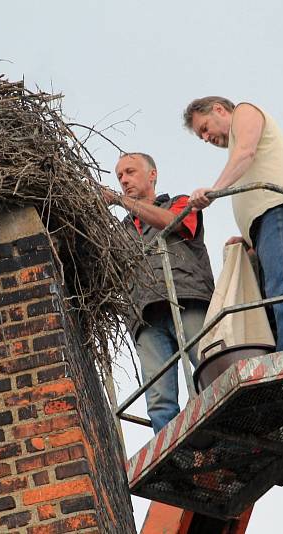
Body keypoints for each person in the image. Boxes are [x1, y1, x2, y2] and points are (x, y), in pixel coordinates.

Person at [183, 96, 283, 355]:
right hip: (267, 226)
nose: (205, 137)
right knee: (279, 295)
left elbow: (246, 153)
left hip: (279, 214)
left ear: (218, 109)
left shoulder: (245, 112)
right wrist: (248, 238)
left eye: (204, 128)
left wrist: (214, 191)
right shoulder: (235, 146)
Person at [104, 153, 214, 434]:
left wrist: (121, 201)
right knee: (159, 399)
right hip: (144, 317)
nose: (124, 180)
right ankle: (177, 460)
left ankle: (222, 437)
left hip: (188, 301)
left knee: (209, 370)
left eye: (130, 172)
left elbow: (175, 222)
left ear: (152, 174)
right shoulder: (119, 233)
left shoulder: (179, 203)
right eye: (119, 176)